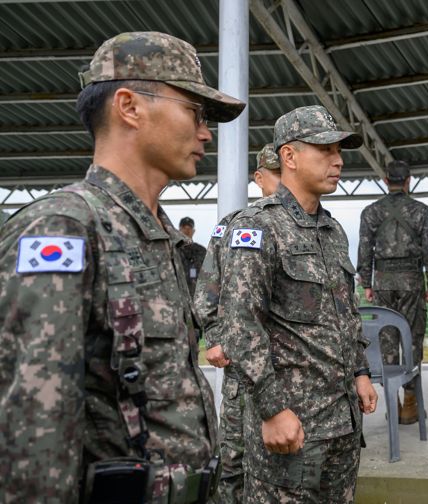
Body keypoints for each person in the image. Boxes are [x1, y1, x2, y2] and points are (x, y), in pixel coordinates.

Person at [0, 31, 245, 502]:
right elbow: (34, 434)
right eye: (194, 112)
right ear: (130, 107)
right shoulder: (64, 228)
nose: (206, 132)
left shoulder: (157, 236)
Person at [217, 105, 378, 503]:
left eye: (339, 151)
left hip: (341, 422)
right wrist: (272, 410)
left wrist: (360, 371)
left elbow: (346, 312)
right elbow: (240, 324)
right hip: (292, 425)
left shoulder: (332, 229)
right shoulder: (256, 226)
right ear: (289, 156)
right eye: (325, 150)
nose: (338, 160)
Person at [194, 143, 281, 503]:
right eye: (275, 175)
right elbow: (206, 291)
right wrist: (213, 337)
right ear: (259, 178)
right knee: (233, 457)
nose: (282, 182)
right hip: (241, 366)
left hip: (285, 369)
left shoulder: (312, 230)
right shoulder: (234, 226)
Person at [357, 159, 428, 424]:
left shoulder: (370, 212)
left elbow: (364, 250)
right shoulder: (421, 211)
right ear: (408, 181)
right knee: (412, 341)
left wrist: (367, 284)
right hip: (412, 281)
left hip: (382, 281)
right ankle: (410, 405)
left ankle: (392, 405)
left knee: (386, 341)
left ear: (385, 181)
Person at [179, 216, 208, 297]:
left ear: (193, 231)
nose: (187, 231)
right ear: (179, 230)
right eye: (184, 228)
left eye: (189, 228)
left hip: (198, 296)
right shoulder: (173, 250)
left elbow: (208, 273)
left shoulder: (201, 250)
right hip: (180, 296)